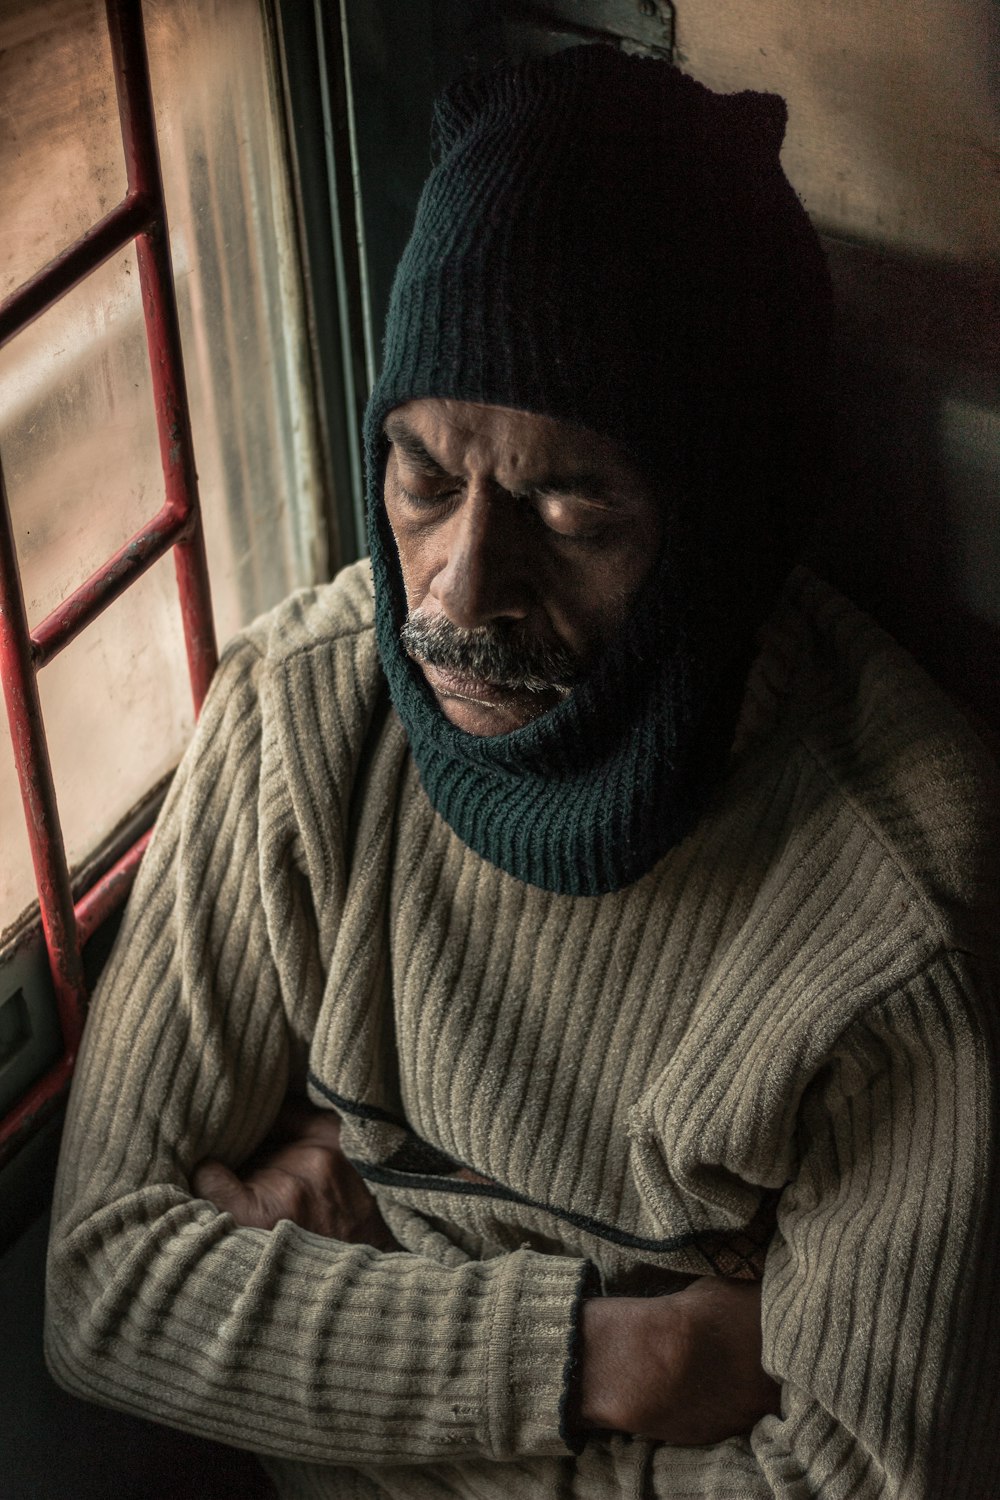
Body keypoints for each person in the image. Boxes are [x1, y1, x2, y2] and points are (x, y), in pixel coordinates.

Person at [46, 44, 999, 1499]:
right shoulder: (304, 724)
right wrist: (617, 1360)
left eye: (573, 505)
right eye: (424, 479)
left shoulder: (891, 916)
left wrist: (347, 1323)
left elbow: (847, 1485)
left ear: (720, 526)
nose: (457, 590)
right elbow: (105, 1291)